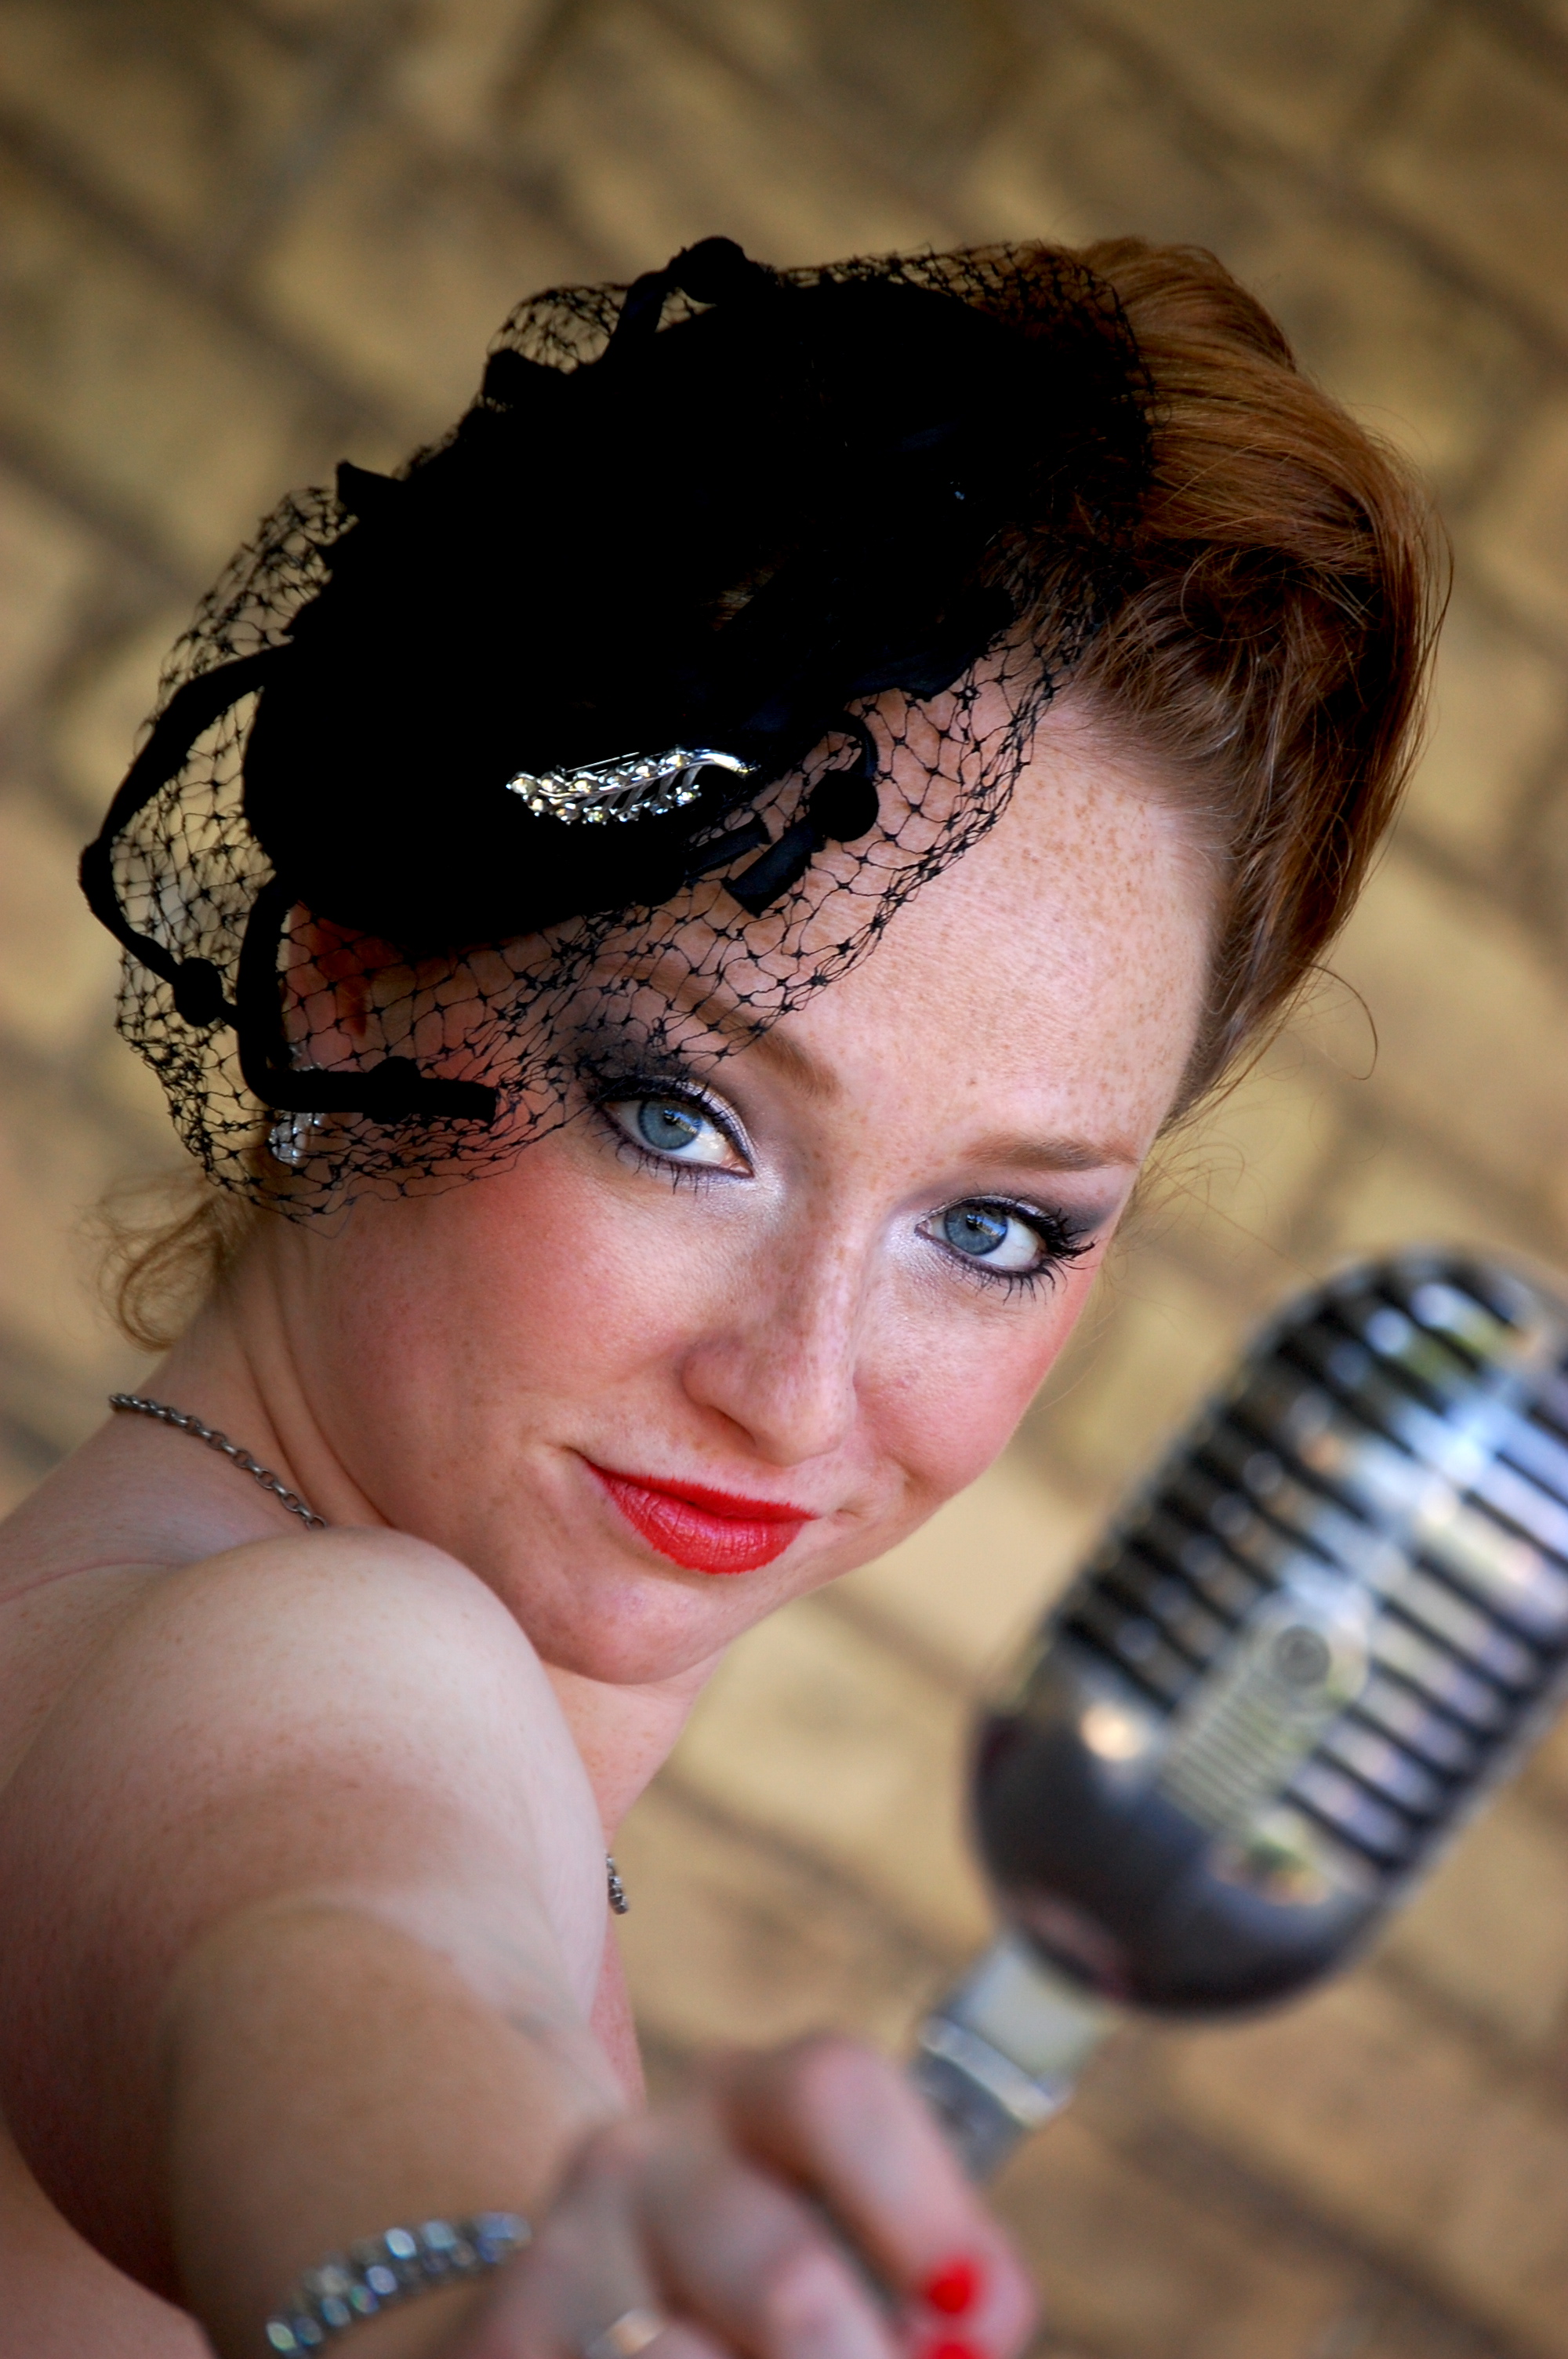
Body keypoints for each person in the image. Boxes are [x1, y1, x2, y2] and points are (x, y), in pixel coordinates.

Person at [0, 235, 1440, 2359]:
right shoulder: (300, 1661)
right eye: (682, 1114)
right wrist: (481, 2300)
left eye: (995, 1228)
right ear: (352, 973)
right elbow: (323, 1951)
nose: (797, 1387)